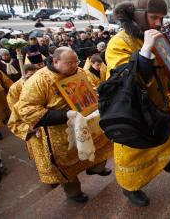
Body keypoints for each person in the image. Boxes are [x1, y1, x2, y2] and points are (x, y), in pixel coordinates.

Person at [105, 0, 170, 207]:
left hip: (160, 102)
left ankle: (164, 159)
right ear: (139, 15)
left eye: (161, 19)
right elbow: (126, 79)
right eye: (154, 17)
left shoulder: (157, 36)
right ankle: (130, 187)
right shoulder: (119, 42)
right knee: (134, 152)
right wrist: (145, 50)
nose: (159, 23)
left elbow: (167, 68)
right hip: (134, 109)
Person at [13, 47, 113, 202]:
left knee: (100, 146)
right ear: (55, 61)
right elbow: (27, 110)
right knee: (66, 169)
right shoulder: (39, 80)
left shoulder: (80, 71)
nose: (74, 66)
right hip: (58, 133)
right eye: (69, 63)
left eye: (76, 61)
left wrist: (95, 94)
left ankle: (96, 168)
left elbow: (92, 87)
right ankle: (74, 194)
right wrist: (65, 115)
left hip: (85, 124)